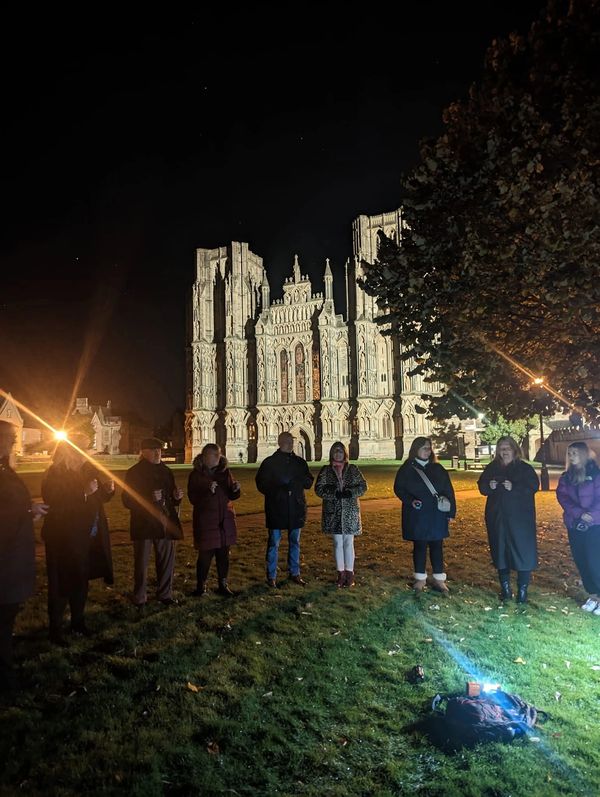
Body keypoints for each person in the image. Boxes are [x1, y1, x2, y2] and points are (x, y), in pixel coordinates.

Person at [41, 433, 114, 643]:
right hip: (63, 539)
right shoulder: (55, 473)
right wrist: (82, 493)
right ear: (68, 451)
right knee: (61, 584)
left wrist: (107, 491)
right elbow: (54, 503)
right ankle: (55, 630)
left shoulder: (87, 470)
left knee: (81, 581)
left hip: (85, 538)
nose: (85, 454)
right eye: (80, 449)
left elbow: (97, 497)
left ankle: (77, 622)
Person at [0, 421, 47, 690]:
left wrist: (29, 510)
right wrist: (28, 513)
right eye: (10, 437)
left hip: (11, 563)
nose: (15, 443)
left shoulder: (6, 470)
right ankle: (6, 682)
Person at [477, 436, 539, 604]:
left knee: (522, 552)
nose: (504, 452)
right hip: (497, 517)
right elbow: (482, 485)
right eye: (501, 449)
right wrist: (488, 486)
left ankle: (522, 590)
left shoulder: (524, 468)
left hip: (520, 519)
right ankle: (505, 588)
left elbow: (533, 486)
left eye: (507, 448)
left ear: (514, 449)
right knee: (500, 550)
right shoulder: (493, 467)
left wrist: (515, 488)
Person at [123, 438, 183, 607]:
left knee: (166, 560)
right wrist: (149, 498)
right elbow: (127, 500)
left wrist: (176, 498)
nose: (158, 453)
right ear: (143, 452)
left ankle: (165, 593)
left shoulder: (165, 471)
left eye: (160, 450)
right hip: (144, 523)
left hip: (164, 520)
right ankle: (140, 596)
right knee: (141, 562)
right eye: (153, 450)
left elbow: (171, 497)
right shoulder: (134, 473)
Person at [393, 436, 456, 593]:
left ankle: (439, 579)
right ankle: (420, 578)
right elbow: (399, 488)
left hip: (436, 514)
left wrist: (451, 512)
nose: (428, 451)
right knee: (420, 546)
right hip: (418, 514)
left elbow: (448, 491)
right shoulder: (407, 469)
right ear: (416, 450)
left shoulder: (438, 469)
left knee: (437, 546)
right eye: (424, 448)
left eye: (429, 448)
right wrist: (410, 500)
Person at [255, 431, 314, 587]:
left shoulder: (300, 463)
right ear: (279, 443)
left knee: (295, 541)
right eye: (286, 441)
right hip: (277, 507)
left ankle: (294, 573)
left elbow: (309, 481)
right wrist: (277, 489)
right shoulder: (269, 463)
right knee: (274, 542)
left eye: (291, 441)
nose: (290, 444)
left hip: (295, 507)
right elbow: (261, 483)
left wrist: (299, 482)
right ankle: (271, 576)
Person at [187, 443, 241, 597]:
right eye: (215, 454)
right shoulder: (196, 475)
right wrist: (207, 491)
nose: (219, 457)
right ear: (205, 457)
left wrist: (236, 489)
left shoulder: (225, 472)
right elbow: (193, 499)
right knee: (205, 555)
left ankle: (223, 585)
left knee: (223, 555)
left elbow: (232, 495)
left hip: (224, 519)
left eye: (219, 454)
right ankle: (201, 586)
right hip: (207, 521)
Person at [315, 441, 367, 587]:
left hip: (350, 511)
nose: (338, 453)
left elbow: (363, 486)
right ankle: (341, 574)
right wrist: (334, 493)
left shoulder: (353, 469)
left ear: (345, 453)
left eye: (340, 451)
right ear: (331, 453)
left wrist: (351, 492)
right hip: (333, 512)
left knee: (348, 542)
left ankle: (350, 574)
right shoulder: (326, 470)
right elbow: (319, 489)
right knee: (338, 543)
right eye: (335, 451)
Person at [556, 441, 600, 615]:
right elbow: (563, 497)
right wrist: (579, 514)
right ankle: (593, 594)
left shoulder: (596, 474)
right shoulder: (566, 477)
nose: (571, 456)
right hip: (575, 524)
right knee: (581, 560)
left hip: (595, 525)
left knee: (594, 560)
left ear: (583, 454)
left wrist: (591, 515)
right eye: (569, 453)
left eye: (575, 453)